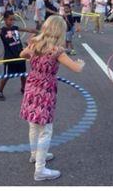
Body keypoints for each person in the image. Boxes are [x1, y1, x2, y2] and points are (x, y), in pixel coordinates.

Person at [19, 15, 85, 181]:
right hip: (45, 90)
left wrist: (29, 50)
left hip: (31, 85)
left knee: (34, 125)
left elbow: (22, 54)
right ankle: (40, 170)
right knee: (45, 130)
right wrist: (81, 63)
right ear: (59, 31)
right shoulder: (56, 51)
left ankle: (35, 154)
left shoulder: (35, 43)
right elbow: (76, 69)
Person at [0, 11, 38, 99]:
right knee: (7, 75)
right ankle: (0, 91)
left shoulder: (15, 28)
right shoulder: (2, 31)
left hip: (20, 55)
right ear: (4, 20)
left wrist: (39, 31)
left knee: (23, 74)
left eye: (13, 20)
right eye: (10, 19)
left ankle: (23, 88)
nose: (12, 21)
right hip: (10, 57)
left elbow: (28, 30)